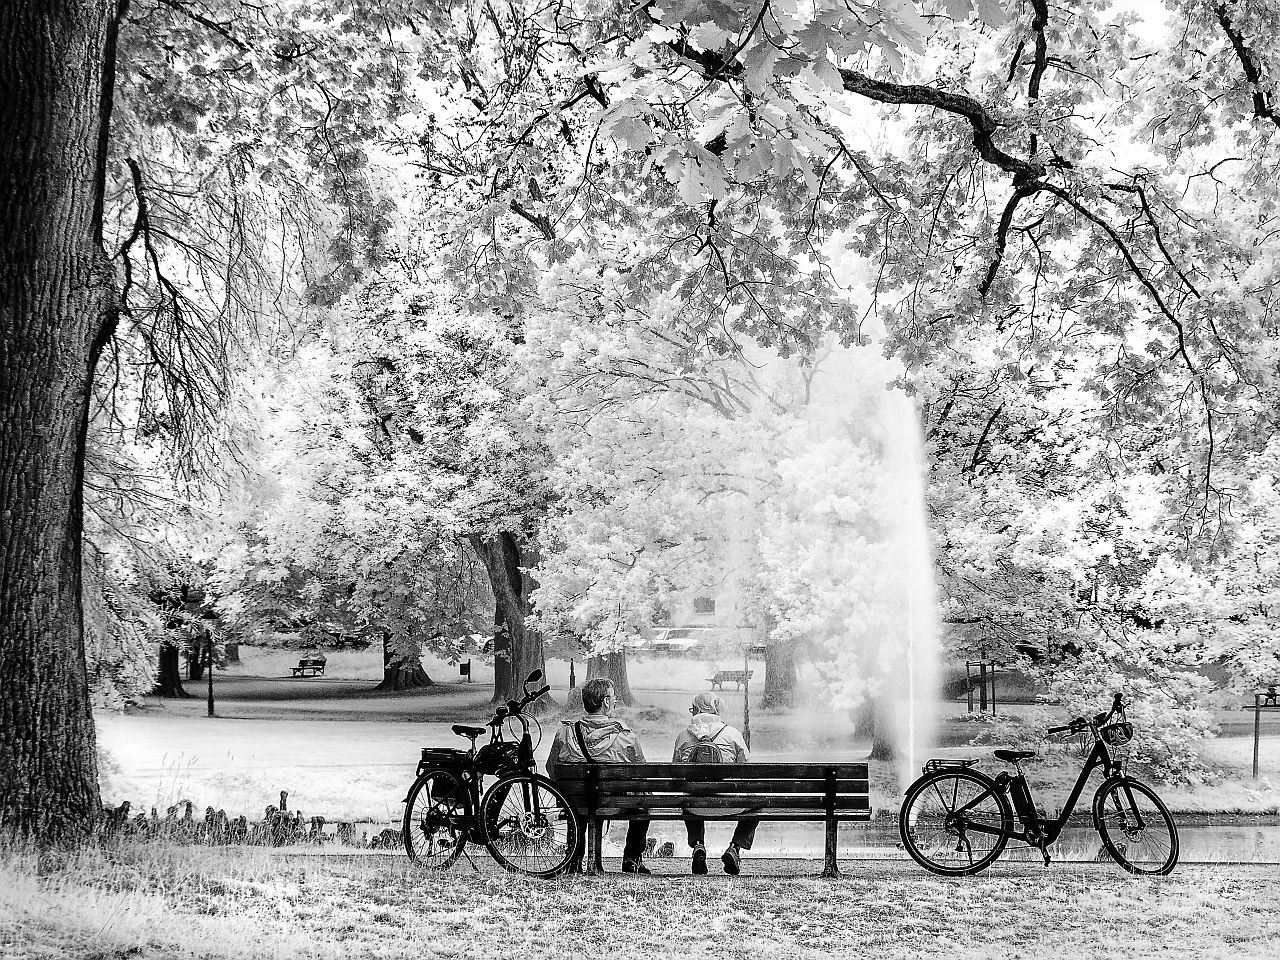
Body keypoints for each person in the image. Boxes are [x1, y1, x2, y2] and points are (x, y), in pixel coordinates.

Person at [546, 677, 652, 873]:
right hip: (615, 802)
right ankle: (632, 858)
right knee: (644, 803)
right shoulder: (625, 735)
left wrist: (570, 791)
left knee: (578, 803)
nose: (615, 701)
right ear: (605, 701)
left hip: (577, 802)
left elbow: (551, 767)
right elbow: (640, 771)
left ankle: (575, 858)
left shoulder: (565, 733)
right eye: (613, 697)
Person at [673, 691, 759, 876]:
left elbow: (675, 776)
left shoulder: (683, 737)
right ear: (716, 709)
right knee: (758, 803)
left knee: (688, 796)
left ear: (695, 711)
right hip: (730, 804)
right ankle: (735, 848)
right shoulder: (732, 734)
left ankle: (698, 845)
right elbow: (748, 772)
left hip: (695, 806)